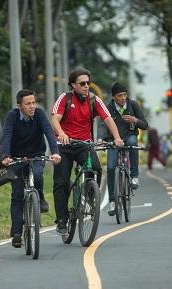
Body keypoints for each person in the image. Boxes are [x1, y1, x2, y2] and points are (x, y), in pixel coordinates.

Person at [50, 68, 124, 235]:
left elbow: (108, 119)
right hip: (64, 144)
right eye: (82, 83)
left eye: (88, 83)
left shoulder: (94, 100)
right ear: (74, 85)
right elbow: (55, 118)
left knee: (96, 169)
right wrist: (61, 133)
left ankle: (90, 196)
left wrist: (117, 138)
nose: (86, 86)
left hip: (84, 144)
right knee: (61, 182)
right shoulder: (65, 98)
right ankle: (62, 219)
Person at [0, 89, 61, 248]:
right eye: (28, 104)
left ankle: (39, 197)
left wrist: (55, 152)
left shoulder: (39, 114)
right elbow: (6, 135)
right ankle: (17, 233)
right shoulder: (12, 117)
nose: (32, 106)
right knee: (17, 194)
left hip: (36, 154)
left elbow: (48, 131)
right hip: (16, 157)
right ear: (19, 105)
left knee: (38, 174)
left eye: (33, 102)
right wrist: (5, 156)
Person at [102, 82, 148, 216]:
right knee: (110, 168)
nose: (123, 98)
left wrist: (135, 120)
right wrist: (100, 138)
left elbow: (145, 125)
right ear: (113, 97)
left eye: (124, 95)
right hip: (113, 140)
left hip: (129, 137)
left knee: (133, 143)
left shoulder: (133, 105)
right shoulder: (108, 108)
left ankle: (134, 176)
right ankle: (112, 201)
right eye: (119, 95)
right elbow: (102, 125)